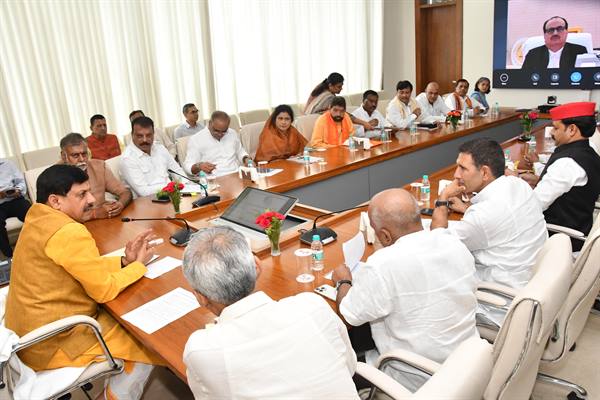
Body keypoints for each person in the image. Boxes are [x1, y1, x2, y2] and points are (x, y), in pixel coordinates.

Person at [4, 164, 163, 399]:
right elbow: (104, 290)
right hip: (54, 340)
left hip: (27, 335)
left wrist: (124, 261)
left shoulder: (38, 218)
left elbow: (79, 267)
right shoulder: (68, 231)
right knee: (146, 343)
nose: (92, 199)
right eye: (81, 194)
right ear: (55, 201)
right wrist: (139, 266)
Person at [182, 226, 358, 399]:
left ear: (200, 298)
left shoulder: (201, 350)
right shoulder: (313, 305)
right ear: (257, 266)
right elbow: (349, 367)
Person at [332, 188, 478, 391]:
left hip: (417, 379)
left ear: (385, 235)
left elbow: (348, 315)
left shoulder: (383, 264)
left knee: (338, 365)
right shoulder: (453, 242)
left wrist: (343, 281)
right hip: (467, 364)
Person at [431, 138, 547, 290]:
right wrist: (466, 208)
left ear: (485, 172)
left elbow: (437, 243)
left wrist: (443, 197)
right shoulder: (518, 184)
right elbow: (499, 217)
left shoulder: (483, 215)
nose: (456, 175)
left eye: (463, 168)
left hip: (499, 293)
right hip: (530, 277)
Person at [517, 102, 600, 251]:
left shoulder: (567, 163)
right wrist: (539, 179)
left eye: (556, 128)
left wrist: (513, 184)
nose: (552, 133)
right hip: (580, 225)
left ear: (572, 129)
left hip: (558, 242)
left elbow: (533, 206)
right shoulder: (589, 150)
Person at [60, 132, 132, 220]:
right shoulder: (55, 176)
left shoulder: (99, 166)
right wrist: (94, 214)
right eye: (75, 155)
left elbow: (125, 192)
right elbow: (58, 216)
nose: (81, 159)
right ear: (64, 156)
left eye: (84, 154)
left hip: (104, 221)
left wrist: (120, 204)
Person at [120, 116, 186, 197]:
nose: (145, 140)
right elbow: (143, 192)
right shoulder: (127, 159)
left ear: (154, 134)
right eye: (140, 136)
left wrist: (187, 185)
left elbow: (177, 171)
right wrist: (172, 186)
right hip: (147, 201)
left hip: (172, 195)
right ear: (132, 135)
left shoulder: (159, 148)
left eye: (148, 135)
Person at [183, 111, 251, 177]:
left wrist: (246, 159)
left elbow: (240, 151)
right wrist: (199, 166)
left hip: (236, 174)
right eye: (216, 130)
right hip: (215, 178)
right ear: (210, 123)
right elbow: (187, 165)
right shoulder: (196, 139)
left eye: (224, 131)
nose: (220, 134)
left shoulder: (232, 133)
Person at [521, 16, 587, 70]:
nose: (555, 33)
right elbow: (524, 78)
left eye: (560, 29)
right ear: (544, 35)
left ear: (566, 32)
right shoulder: (533, 54)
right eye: (550, 30)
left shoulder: (579, 51)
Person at [0, 158, 31, 259]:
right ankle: (9, 256)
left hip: (14, 200)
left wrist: (18, 190)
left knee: (31, 213)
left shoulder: (7, 163)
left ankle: (36, 244)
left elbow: (21, 182)